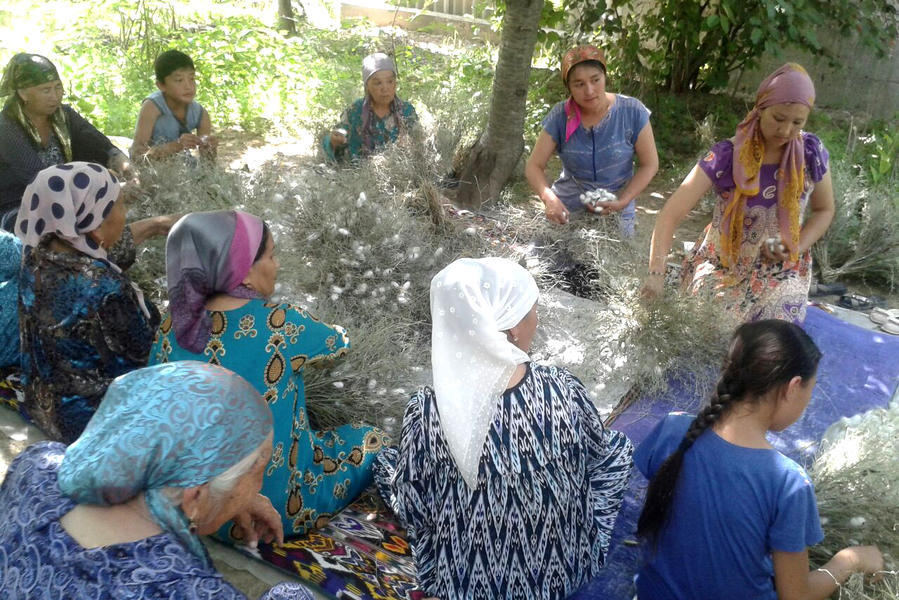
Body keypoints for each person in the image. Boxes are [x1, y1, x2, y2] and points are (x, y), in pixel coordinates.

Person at [373, 257, 634, 599]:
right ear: (512, 329)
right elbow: (595, 458)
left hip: (467, 581)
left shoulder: (427, 412)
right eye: (533, 311)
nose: (536, 321)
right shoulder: (562, 389)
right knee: (614, 449)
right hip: (568, 567)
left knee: (387, 465)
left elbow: (415, 509)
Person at [149, 210, 387, 540]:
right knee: (369, 438)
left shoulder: (171, 325)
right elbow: (339, 343)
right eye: (271, 256)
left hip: (198, 510)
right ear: (242, 271)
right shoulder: (282, 323)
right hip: (277, 509)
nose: (277, 265)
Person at [0, 361, 316, 599]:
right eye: (258, 473)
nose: (257, 487)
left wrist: (231, 497)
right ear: (194, 496)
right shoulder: (191, 591)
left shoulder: (35, 465)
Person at [635, 320, 884, 599]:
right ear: (793, 387)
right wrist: (851, 560)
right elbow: (797, 595)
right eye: (810, 392)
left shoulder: (673, 429)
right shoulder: (789, 483)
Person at [643, 63, 835, 324]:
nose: (786, 130)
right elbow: (670, 214)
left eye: (797, 122)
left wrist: (796, 246)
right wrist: (656, 276)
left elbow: (825, 210)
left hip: (782, 270)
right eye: (778, 118)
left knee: (772, 336)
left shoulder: (810, 153)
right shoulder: (726, 156)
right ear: (760, 108)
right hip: (723, 265)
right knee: (717, 329)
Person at [16, 162, 175, 443]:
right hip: (90, 424)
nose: (125, 217)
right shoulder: (105, 289)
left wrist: (157, 225)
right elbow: (146, 353)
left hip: (44, 405)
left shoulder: (36, 257)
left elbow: (103, 248)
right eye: (120, 206)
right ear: (96, 222)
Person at [526, 45, 658, 237]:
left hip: (617, 200)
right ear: (569, 87)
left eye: (595, 80)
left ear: (605, 77)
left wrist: (622, 201)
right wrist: (549, 199)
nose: (589, 90)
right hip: (568, 204)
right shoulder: (560, 116)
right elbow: (534, 165)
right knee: (549, 261)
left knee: (613, 263)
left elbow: (650, 164)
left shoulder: (632, 111)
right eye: (579, 84)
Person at [0, 53, 132, 231]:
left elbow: (103, 146)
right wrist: (99, 184)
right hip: (18, 207)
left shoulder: (64, 116)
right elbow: (41, 179)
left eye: (58, 87)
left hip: (66, 199)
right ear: (23, 93)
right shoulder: (6, 128)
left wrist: (128, 170)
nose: (55, 96)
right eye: (46, 90)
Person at [322, 52, 418, 162]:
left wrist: (411, 144)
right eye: (378, 83)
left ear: (395, 84)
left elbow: (419, 145)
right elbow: (335, 137)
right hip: (358, 172)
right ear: (367, 87)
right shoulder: (355, 111)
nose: (385, 88)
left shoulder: (406, 111)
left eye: (390, 82)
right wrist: (333, 142)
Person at [130, 49, 217, 161]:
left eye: (192, 79)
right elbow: (136, 155)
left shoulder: (200, 114)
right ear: (161, 85)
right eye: (179, 80)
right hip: (153, 173)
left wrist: (210, 149)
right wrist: (177, 145)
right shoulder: (151, 107)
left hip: (185, 172)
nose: (188, 86)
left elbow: (209, 166)